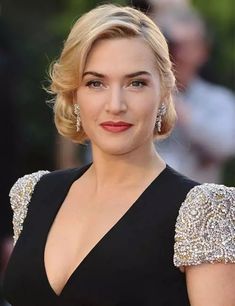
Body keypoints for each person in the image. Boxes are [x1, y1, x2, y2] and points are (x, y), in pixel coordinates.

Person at [2, 4, 235, 306]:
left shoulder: (201, 211)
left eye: (136, 83)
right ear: (74, 94)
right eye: (95, 83)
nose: (115, 104)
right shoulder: (32, 193)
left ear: (164, 93)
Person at [152, 7, 235, 183]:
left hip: (198, 203)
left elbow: (225, 145)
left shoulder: (218, 99)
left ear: (203, 51)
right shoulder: (140, 95)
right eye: (172, 46)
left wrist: (173, 102)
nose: (178, 55)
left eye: (186, 46)